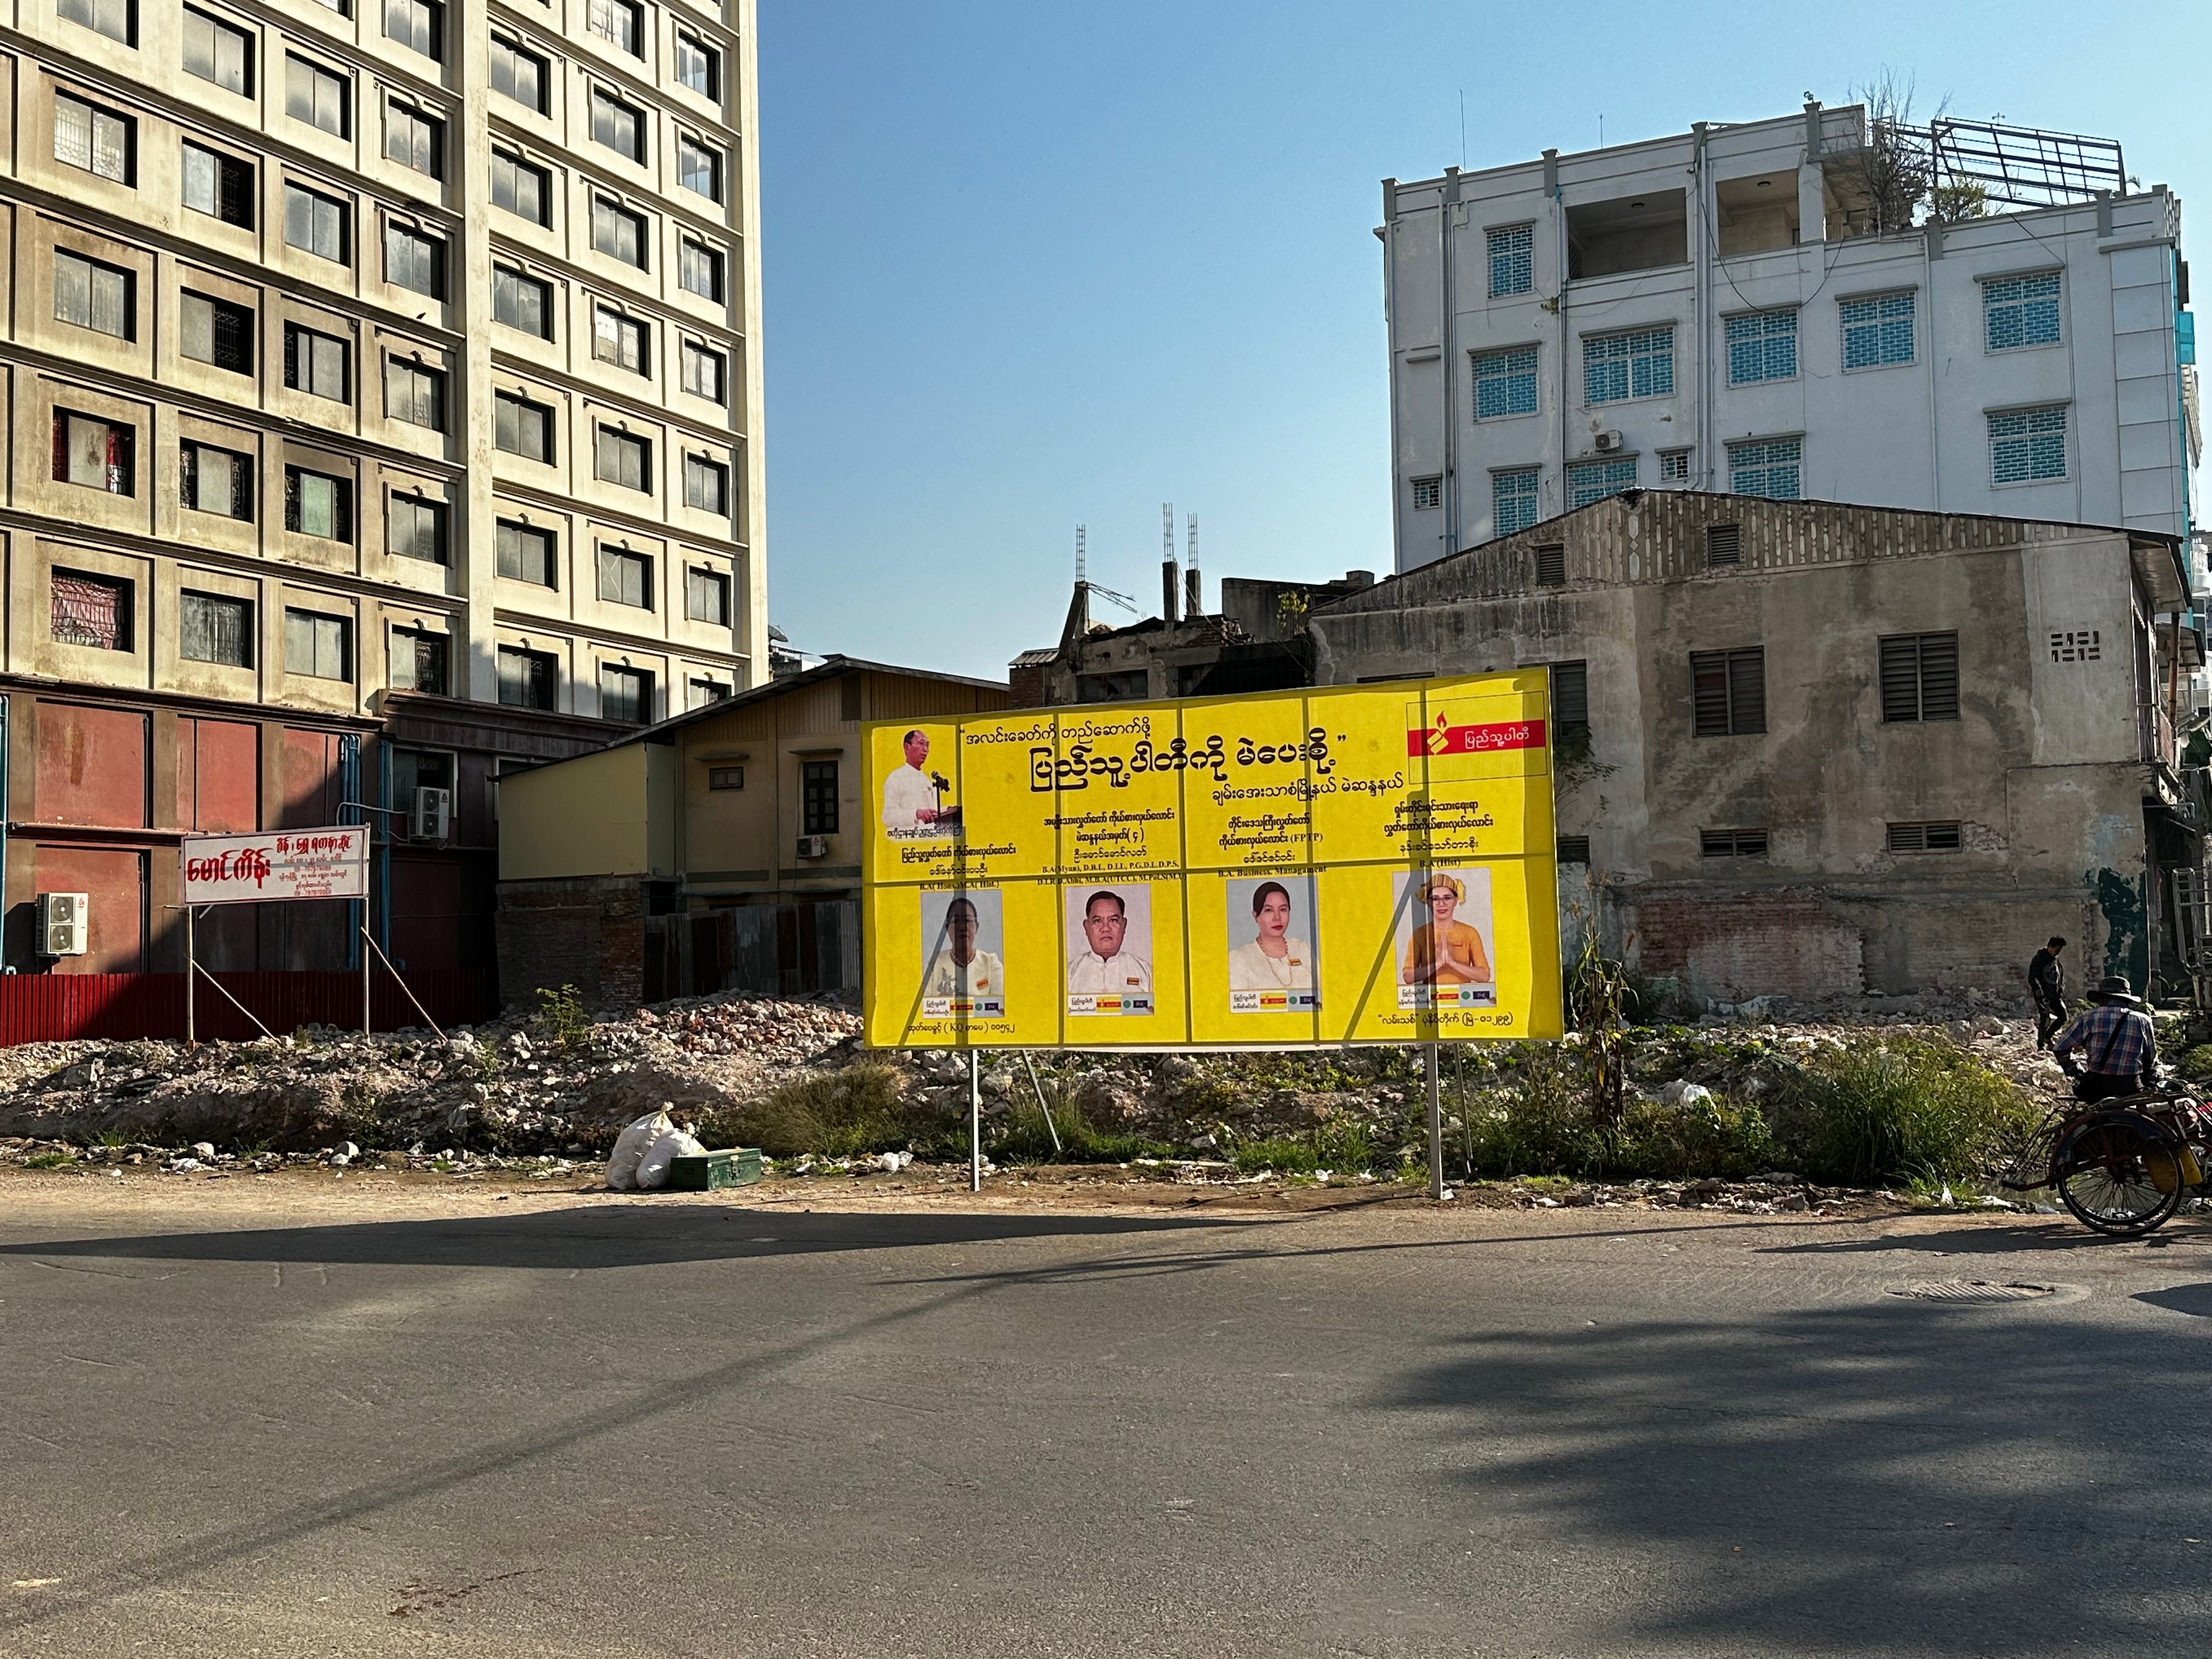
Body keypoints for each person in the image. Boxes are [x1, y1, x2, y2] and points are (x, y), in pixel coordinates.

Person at [2051, 975, 2157, 1103]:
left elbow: (2060, 1048)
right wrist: (2147, 1078)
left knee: (2092, 1115)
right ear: (2127, 1000)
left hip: (2097, 1086)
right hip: (2129, 1087)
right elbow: (2150, 1058)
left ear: (2103, 998)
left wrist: (2076, 1071)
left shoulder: (2088, 1017)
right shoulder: (2143, 1020)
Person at [1400, 874, 1492, 986]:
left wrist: (1452, 962)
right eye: (1435, 899)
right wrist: (1438, 964)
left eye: (1447, 898)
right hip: (1430, 1000)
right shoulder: (1419, 935)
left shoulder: (1469, 932)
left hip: (1464, 999)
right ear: (1428, 902)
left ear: (1455, 901)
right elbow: (1408, 977)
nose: (1441, 904)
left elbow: (1485, 975)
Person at [1227, 881, 1314, 992]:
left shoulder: (1304, 949)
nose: (1277, 918)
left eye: (1283, 910)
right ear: (1256, 916)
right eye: (1269, 910)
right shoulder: (1240, 958)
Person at [1066, 890, 1152, 994]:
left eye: (1113, 920)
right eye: (1098, 921)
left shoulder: (1146, 972)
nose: (1106, 928)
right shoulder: (1069, 974)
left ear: (1124, 925)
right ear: (1086, 927)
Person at [922, 897, 1003, 998]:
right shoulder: (934, 965)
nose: (962, 927)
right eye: (956, 922)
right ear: (947, 929)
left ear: (976, 927)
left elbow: (1000, 1008)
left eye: (968, 921)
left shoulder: (991, 964)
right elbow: (924, 1008)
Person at [881, 730, 947, 838]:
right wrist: (916, 814)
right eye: (921, 744)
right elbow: (888, 817)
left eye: (927, 745)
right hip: (908, 844)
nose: (925, 750)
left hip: (931, 840)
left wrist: (948, 810)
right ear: (907, 747)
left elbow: (932, 811)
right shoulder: (895, 778)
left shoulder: (926, 779)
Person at [2027, 935, 2068, 1048]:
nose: (2058, 952)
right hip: (2043, 995)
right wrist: (2039, 992)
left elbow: (2061, 975)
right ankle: (2041, 1045)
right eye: (2056, 949)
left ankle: (2048, 1036)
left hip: (2055, 994)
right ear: (2050, 947)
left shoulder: (2056, 959)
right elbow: (2032, 978)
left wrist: (2061, 988)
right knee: (2045, 1018)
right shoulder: (2039, 959)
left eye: (2060, 950)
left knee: (2063, 1017)